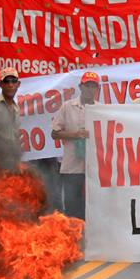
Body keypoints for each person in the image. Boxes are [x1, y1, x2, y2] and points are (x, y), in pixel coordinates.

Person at [50, 71, 100, 219]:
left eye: (93, 86)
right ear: (80, 86)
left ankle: (92, 239)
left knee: (95, 207)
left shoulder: (102, 109)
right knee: (73, 207)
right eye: (87, 85)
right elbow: (55, 133)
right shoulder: (67, 107)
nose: (90, 89)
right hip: (72, 166)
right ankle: (75, 239)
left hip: (95, 168)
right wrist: (76, 135)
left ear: (97, 89)